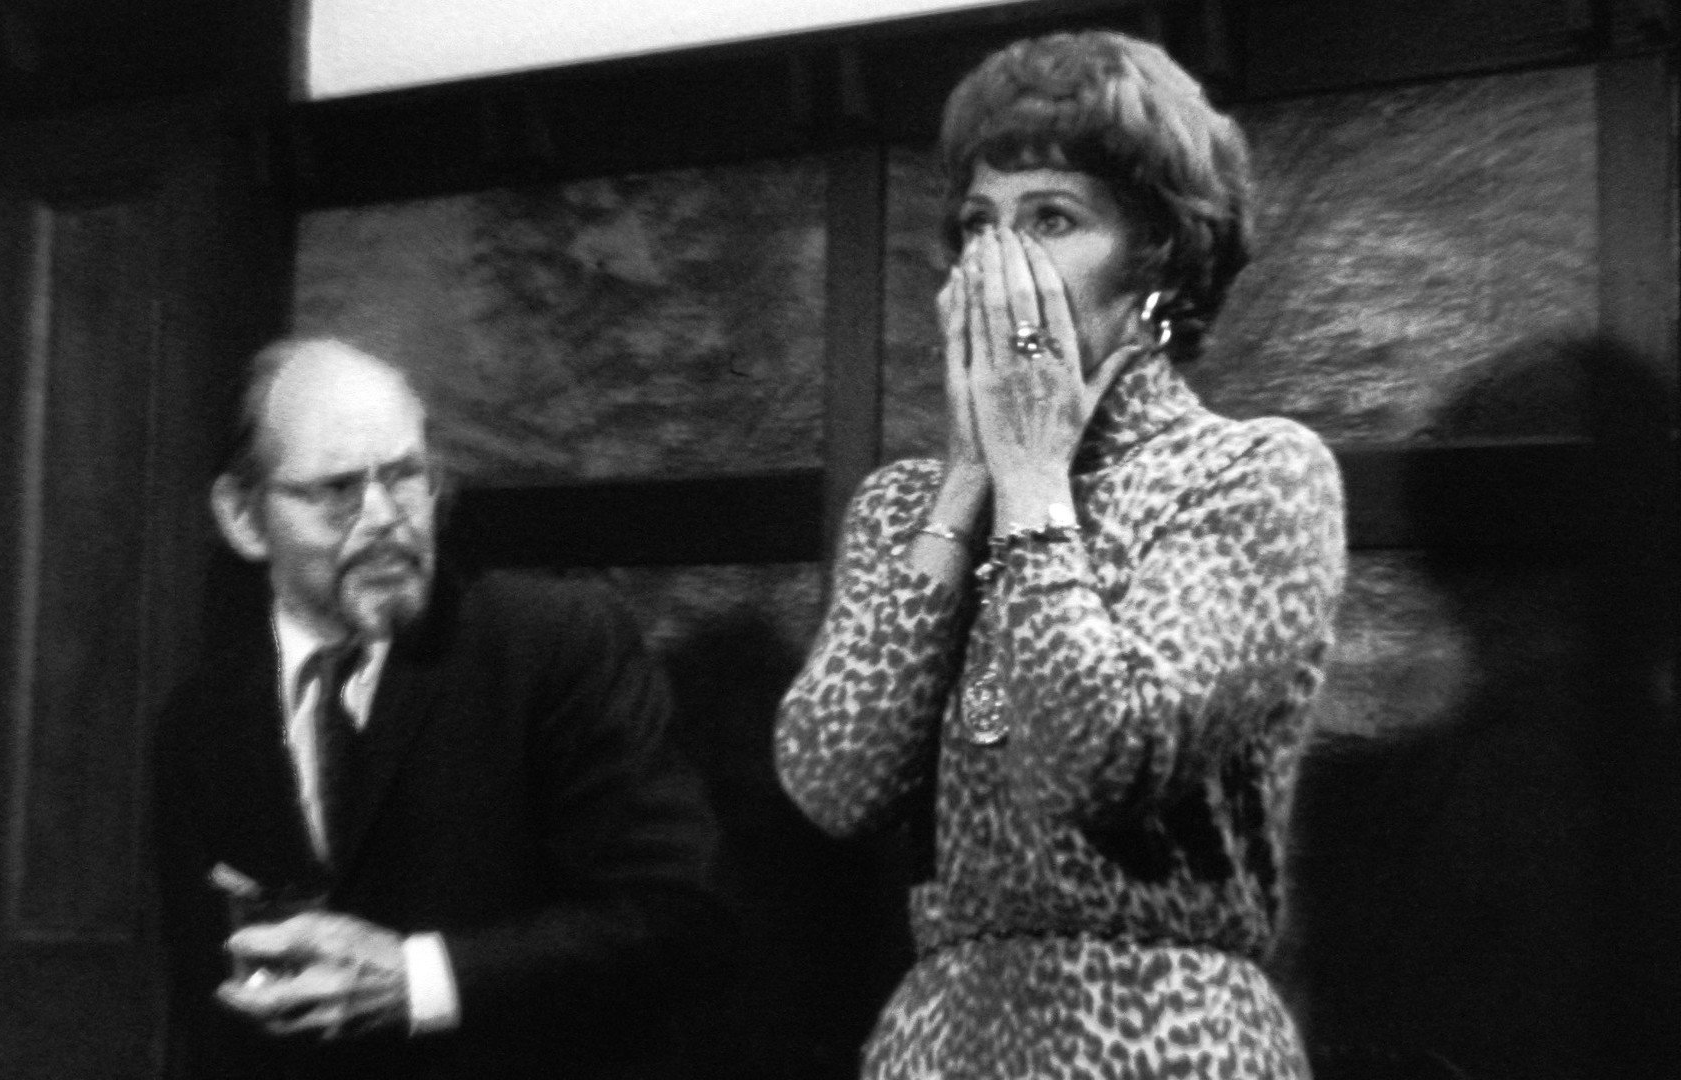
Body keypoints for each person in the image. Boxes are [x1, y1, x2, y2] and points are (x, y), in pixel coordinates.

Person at [775, 30, 1345, 1079]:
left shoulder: (1252, 474)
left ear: (1158, 255)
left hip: (1167, 1034)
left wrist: (1034, 478)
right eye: (978, 225)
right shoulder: (904, 504)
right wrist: (967, 478)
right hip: (944, 1038)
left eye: (1050, 220)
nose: (999, 266)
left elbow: (1103, 756)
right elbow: (835, 782)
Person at [152, 336, 730, 1079]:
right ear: (243, 517)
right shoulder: (199, 725)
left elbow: (679, 917)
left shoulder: (553, 645)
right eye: (337, 490)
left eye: (405, 477)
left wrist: (422, 981)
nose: (384, 517)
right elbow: (206, 1021)